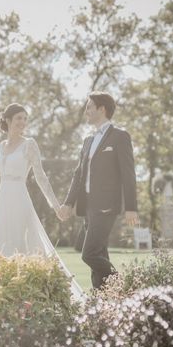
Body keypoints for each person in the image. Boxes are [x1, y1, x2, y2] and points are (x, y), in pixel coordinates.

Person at [0, 103, 85, 302]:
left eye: (25, 118)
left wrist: (56, 206)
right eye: (18, 118)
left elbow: (41, 177)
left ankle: (35, 296)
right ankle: (3, 296)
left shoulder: (29, 144)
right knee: (1, 245)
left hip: (19, 198)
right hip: (3, 199)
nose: (22, 122)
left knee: (22, 245)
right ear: (7, 120)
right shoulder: (1, 146)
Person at [58, 92, 138, 289]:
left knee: (90, 254)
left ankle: (125, 286)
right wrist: (68, 203)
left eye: (89, 107)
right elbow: (78, 175)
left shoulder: (120, 136)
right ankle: (103, 301)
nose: (86, 112)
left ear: (101, 109)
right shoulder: (87, 141)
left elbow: (128, 174)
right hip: (88, 207)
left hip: (106, 206)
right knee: (99, 254)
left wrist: (131, 207)